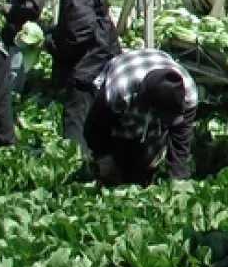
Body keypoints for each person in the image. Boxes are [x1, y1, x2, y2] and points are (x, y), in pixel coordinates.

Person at [44, 0, 122, 151]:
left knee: (77, 120)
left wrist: (53, 45)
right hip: (97, 60)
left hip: (87, 65)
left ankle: (76, 160)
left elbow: (80, 31)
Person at [83, 48, 198, 187]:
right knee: (120, 163)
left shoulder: (188, 93)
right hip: (126, 73)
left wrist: (178, 180)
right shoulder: (120, 91)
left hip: (150, 75)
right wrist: (104, 159)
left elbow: (181, 139)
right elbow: (95, 126)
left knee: (143, 168)